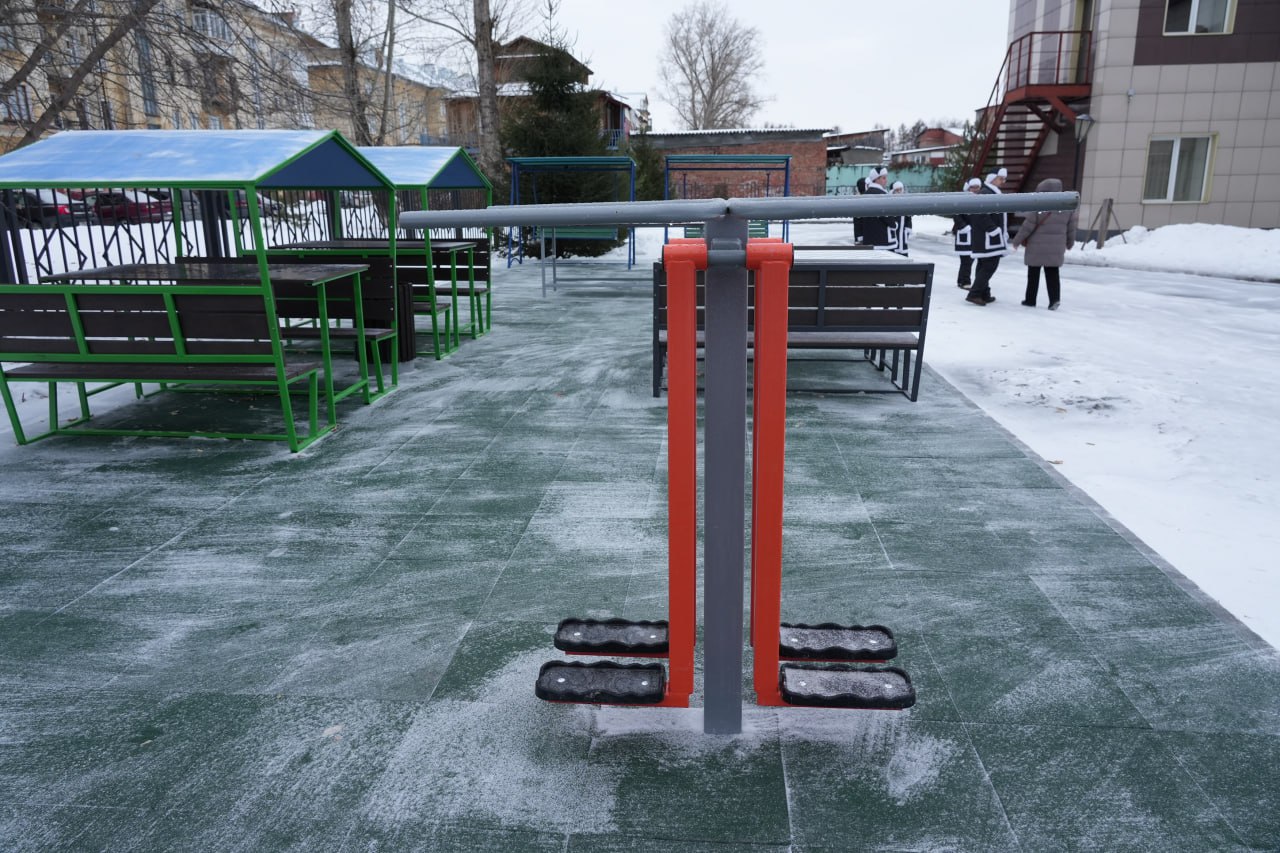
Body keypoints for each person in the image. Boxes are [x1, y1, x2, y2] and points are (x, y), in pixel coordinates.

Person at [1009, 177, 1077, 310]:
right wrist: (1070, 243)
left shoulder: (1039, 206)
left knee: (1033, 274)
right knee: (1053, 274)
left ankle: (1030, 300)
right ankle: (1054, 300)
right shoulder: (1067, 207)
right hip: (1056, 247)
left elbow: (1027, 227)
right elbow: (1071, 228)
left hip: (1036, 246)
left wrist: (1016, 241)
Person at [965, 167, 1009, 306]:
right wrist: (993, 229)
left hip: (988, 238)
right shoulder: (986, 193)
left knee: (983, 264)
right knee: (989, 265)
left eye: (1004, 179)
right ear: (992, 178)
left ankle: (984, 293)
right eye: (1001, 178)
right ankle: (975, 293)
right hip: (987, 238)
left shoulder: (989, 192)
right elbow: (980, 215)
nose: (1003, 181)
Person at [855, 167, 898, 250]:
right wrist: (895, 224)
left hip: (869, 240)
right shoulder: (882, 195)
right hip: (885, 240)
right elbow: (887, 216)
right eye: (883, 178)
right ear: (876, 179)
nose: (886, 180)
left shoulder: (865, 195)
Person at [953, 177, 981, 288]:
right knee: (966, 260)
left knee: (970, 260)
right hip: (964, 235)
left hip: (974, 236)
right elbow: (956, 215)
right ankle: (965, 281)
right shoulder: (961, 199)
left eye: (977, 187)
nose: (975, 189)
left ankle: (962, 280)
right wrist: (965, 227)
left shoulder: (980, 199)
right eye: (973, 187)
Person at [889, 181, 912, 256]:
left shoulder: (906, 201)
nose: (899, 191)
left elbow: (909, 217)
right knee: (893, 251)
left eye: (900, 189)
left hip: (903, 232)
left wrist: (908, 228)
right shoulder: (890, 201)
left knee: (903, 252)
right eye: (897, 190)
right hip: (894, 230)